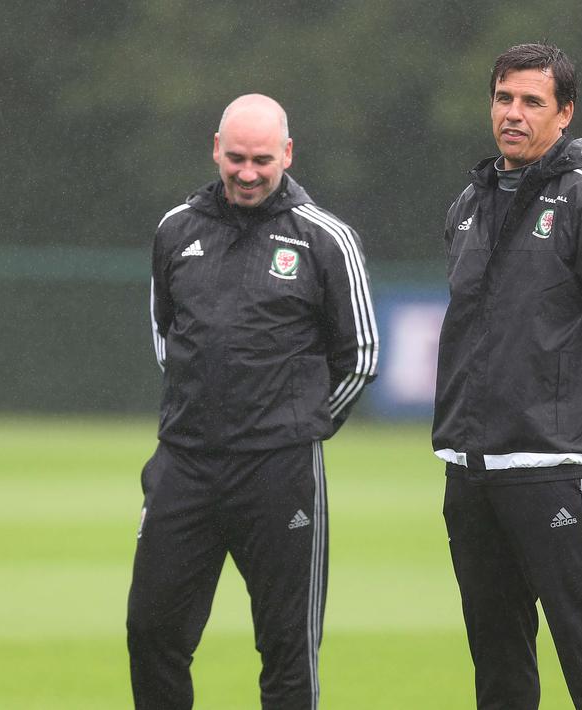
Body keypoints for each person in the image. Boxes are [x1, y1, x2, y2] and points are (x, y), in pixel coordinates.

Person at [433, 43, 582, 710]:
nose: (513, 113)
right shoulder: (468, 203)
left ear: (564, 113)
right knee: (498, 669)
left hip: (553, 466)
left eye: (531, 101)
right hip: (470, 468)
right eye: (503, 98)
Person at [127, 93, 379, 709]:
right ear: (216, 149)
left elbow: (361, 356)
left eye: (261, 160)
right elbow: (167, 337)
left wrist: (297, 425)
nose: (247, 172)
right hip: (185, 466)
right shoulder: (176, 229)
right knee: (151, 633)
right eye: (236, 157)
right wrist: (201, 409)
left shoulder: (326, 238)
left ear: (287, 154)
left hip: (278, 472)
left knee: (287, 649)